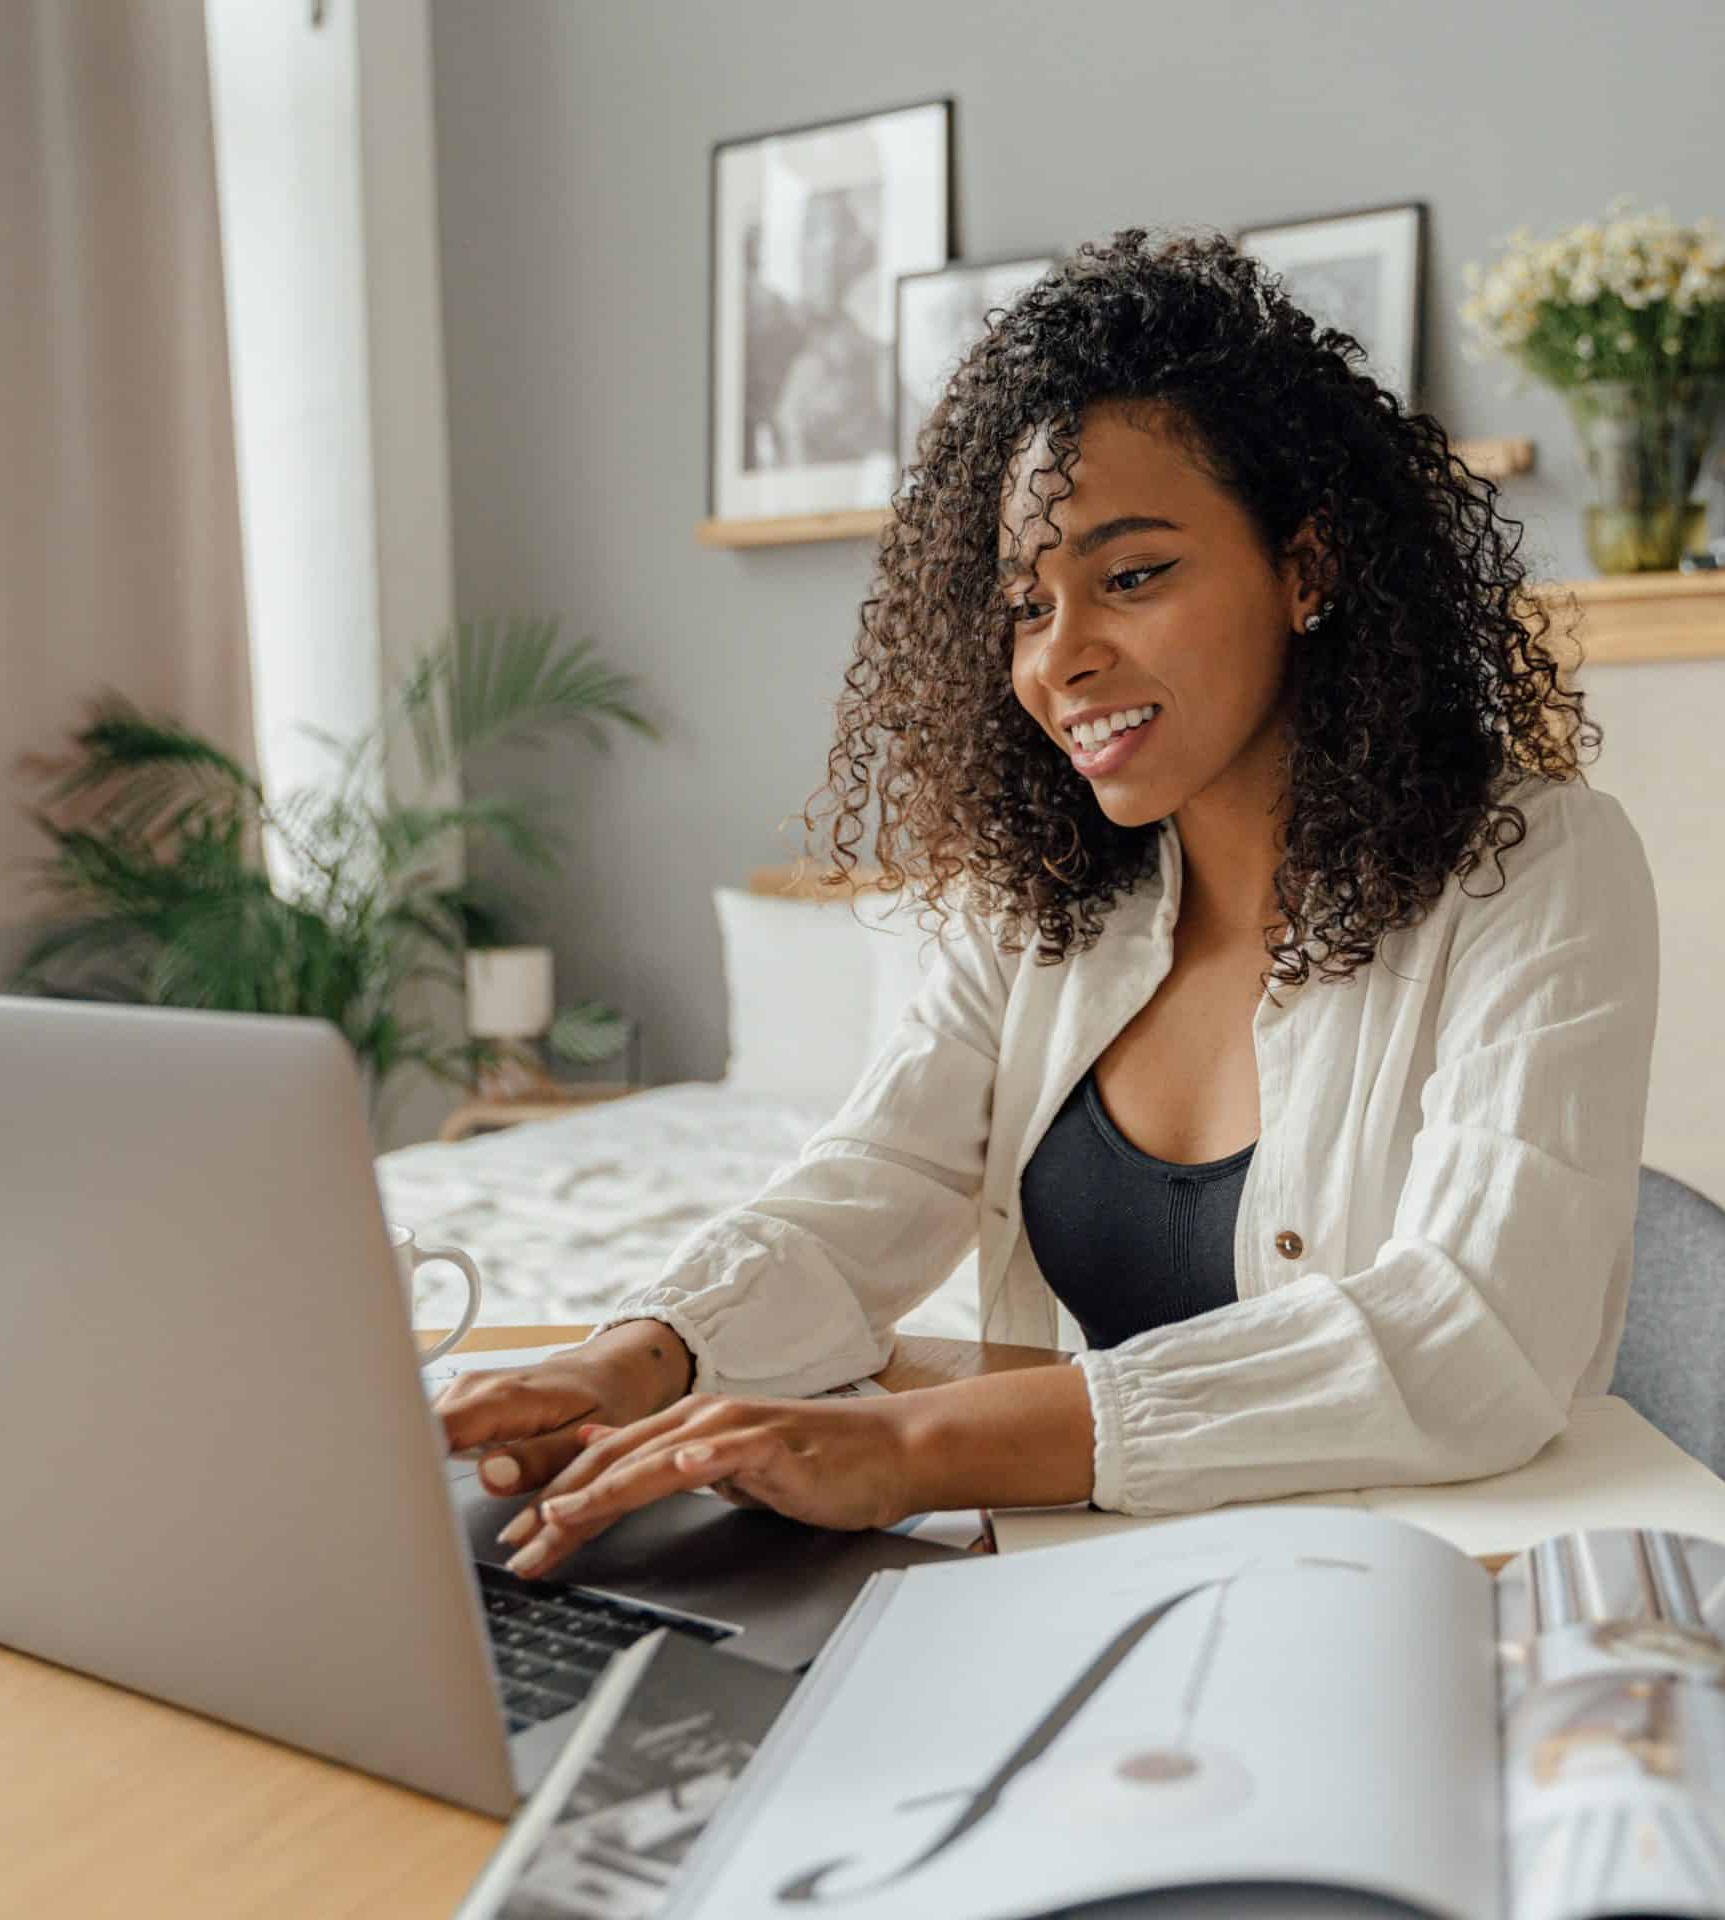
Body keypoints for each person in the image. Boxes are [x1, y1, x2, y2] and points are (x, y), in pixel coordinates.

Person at [443, 227, 1659, 1580]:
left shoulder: (1535, 869)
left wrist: (918, 1449)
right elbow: (873, 1185)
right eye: (1025, 606)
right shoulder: (1036, 900)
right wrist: (637, 1361)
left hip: (1401, 1602)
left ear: (1307, 571)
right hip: (1076, 1586)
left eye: (1132, 577)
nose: (1063, 657)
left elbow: (1476, 1334)